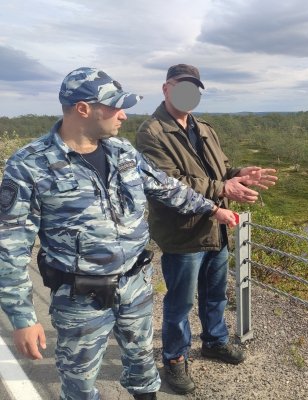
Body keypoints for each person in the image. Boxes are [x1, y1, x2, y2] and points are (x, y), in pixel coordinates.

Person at [0, 67, 238, 400]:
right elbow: (10, 248)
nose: (124, 115)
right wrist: (23, 317)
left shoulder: (122, 152)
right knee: (80, 383)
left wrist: (214, 209)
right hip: (80, 298)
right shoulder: (29, 166)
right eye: (115, 106)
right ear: (84, 109)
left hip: (136, 288)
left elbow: (168, 188)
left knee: (143, 369)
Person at [136, 64, 277, 394]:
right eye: (182, 86)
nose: (189, 94)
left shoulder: (205, 129)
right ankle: (174, 358)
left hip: (217, 228)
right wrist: (224, 189)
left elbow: (222, 169)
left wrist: (242, 172)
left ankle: (214, 341)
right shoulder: (152, 132)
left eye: (195, 88)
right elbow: (170, 184)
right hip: (184, 233)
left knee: (215, 294)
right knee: (180, 302)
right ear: (166, 88)